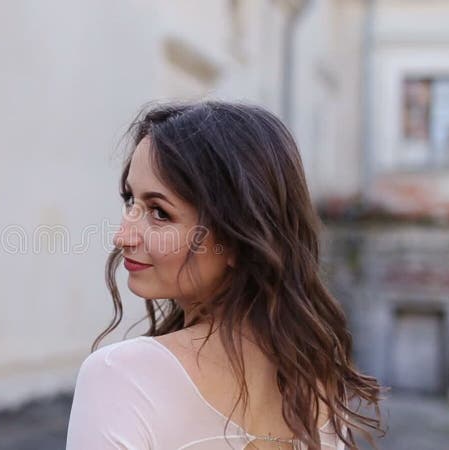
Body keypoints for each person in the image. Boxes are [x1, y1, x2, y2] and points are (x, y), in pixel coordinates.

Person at [65, 101, 385, 450]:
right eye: (131, 202)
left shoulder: (121, 376)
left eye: (159, 212)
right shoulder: (318, 390)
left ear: (238, 236)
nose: (123, 236)